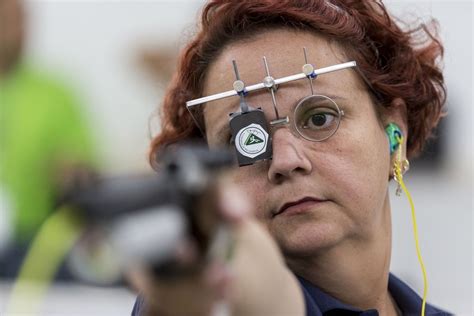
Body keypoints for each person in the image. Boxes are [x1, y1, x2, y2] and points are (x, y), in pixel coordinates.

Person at [130, 1, 449, 315]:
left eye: (320, 118)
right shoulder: (209, 297)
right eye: (245, 140)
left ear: (395, 135)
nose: (285, 160)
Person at [0, 0, 98, 278]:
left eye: (22, 18)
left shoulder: (57, 92)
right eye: (5, 18)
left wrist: (70, 172)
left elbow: (84, 167)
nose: (16, 28)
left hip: (33, 243)